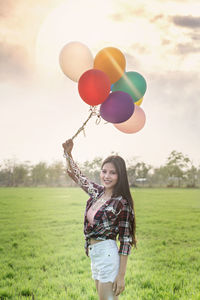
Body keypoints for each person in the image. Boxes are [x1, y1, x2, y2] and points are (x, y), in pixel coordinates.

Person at [62, 139, 137, 300]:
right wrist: (68, 154)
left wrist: (121, 276)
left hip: (107, 255)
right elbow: (79, 177)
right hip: (94, 253)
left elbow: (125, 241)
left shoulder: (122, 203)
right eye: (104, 171)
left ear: (120, 175)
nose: (106, 176)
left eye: (112, 172)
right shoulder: (98, 193)